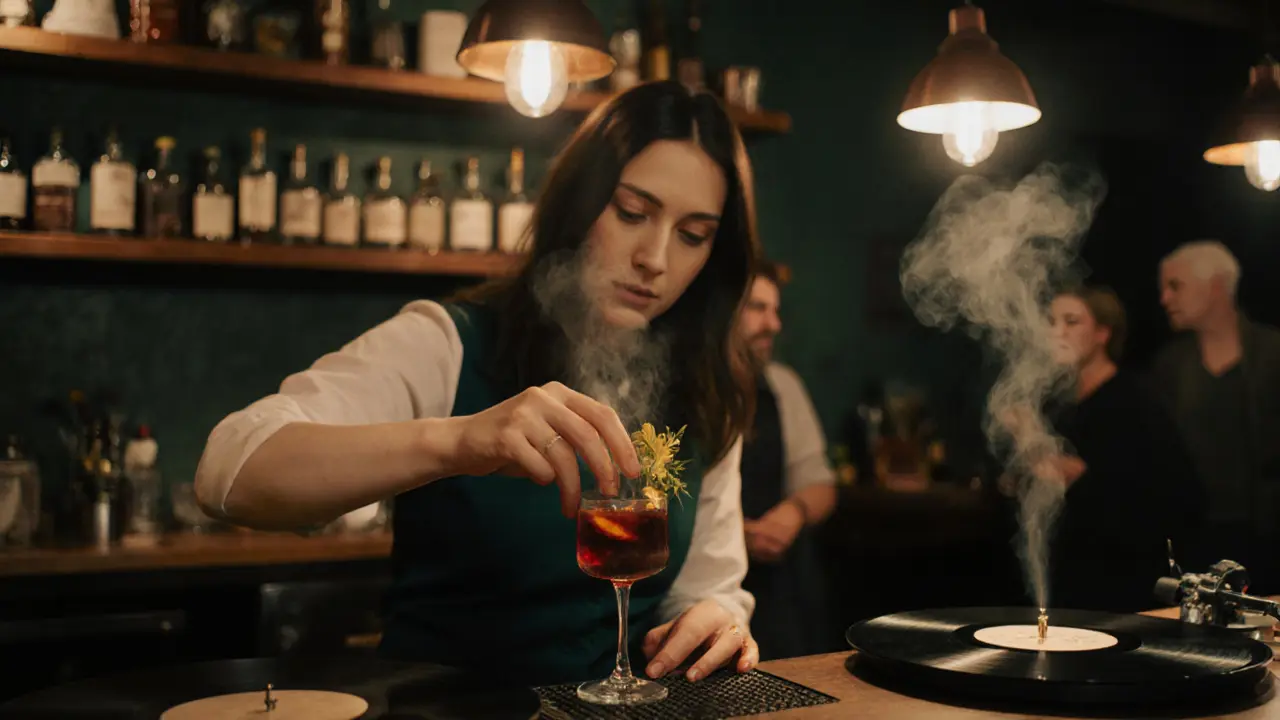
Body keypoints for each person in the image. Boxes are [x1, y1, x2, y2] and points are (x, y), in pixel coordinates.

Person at [193, 81, 762, 685]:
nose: (656, 257)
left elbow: (707, 587)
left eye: (693, 235)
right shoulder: (447, 342)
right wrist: (458, 442)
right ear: (578, 203)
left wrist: (715, 618)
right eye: (631, 213)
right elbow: (229, 471)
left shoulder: (706, 387)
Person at [1041, 286, 1206, 612]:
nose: (1057, 333)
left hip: (1121, 589)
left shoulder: (1134, 401)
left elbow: (1173, 500)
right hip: (1070, 582)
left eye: (1071, 322)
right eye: (1051, 322)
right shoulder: (1056, 403)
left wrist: (1074, 475)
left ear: (1103, 333)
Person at [1152, 241, 1280, 591]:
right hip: (1193, 538)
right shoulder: (1169, 365)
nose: (1165, 298)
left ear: (1216, 286)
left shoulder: (1273, 354)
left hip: (1267, 539)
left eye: (1175, 286)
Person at [735, 260, 838, 659]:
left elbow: (821, 484)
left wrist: (794, 512)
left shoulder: (783, 385)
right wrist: (728, 533)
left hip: (776, 594)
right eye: (757, 308)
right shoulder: (691, 389)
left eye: (776, 310)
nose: (773, 324)